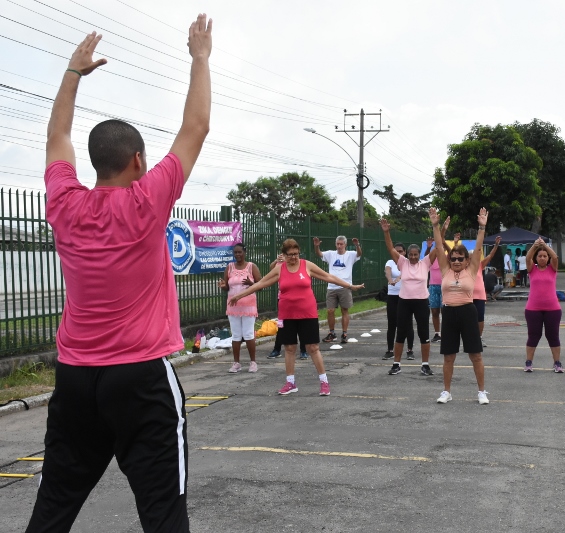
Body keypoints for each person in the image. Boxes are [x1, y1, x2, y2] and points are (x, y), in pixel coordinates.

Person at [28, 17, 212, 532]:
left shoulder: (64, 202)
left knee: (53, 507)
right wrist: (200, 58)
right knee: (163, 514)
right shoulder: (146, 200)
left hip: (74, 379)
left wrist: (72, 73)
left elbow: (57, 134)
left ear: (94, 163)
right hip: (139, 378)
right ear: (137, 160)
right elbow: (195, 128)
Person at [230, 239, 364, 396]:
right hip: (287, 314)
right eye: (290, 255)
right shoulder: (280, 269)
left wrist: (350, 286)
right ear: (284, 255)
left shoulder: (306, 265)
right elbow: (260, 284)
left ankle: (324, 382)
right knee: (289, 348)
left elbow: (329, 277)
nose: (293, 257)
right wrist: (239, 295)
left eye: (296, 254)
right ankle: (290, 383)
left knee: (313, 348)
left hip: (307, 313)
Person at [429, 206, 489, 405]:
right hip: (449, 313)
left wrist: (482, 228)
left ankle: (481, 392)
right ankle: (446, 391)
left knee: (475, 355)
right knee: (448, 356)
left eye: (459, 259)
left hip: (467, 312)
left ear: (466, 260)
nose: (455, 261)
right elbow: (439, 247)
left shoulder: (471, 270)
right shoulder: (445, 270)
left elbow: (478, 248)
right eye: (453, 258)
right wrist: (435, 226)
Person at [380, 220, 434, 376]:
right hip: (404, 302)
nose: (413, 257)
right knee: (401, 333)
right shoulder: (402, 263)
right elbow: (390, 248)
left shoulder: (425, 263)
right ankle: (396, 364)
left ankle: (425, 365)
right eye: (411, 254)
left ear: (419, 254)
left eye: (415, 254)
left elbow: (438, 248)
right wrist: (386, 232)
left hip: (421, 302)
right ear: (407, 254)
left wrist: (439, 228)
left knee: (424, 334)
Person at [218, 243, 262, 373]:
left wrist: (251, 283)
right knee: (236, 335)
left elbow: (261, 285)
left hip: (248, 307)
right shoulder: (229, 267)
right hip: (233, 307)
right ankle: (236, 363)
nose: (237, 255)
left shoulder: (251, 267)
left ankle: (253, 362)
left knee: (248, 334)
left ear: (245, 252)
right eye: (235, 252)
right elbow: (227, 286)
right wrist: (223, 286)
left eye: (240, 252)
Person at [523, 238, 564, 373]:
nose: (542, 258)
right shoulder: (532, 269)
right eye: (539, 256)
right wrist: (534, 246)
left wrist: (545, 246)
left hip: (553, 309)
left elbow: (555, 257)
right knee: (533, 335)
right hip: (533, 309)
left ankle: (557, 363)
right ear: (536, 258)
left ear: (548, 258)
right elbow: (528, 258)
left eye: (544, 256)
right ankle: (529, 362)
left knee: (553, 336)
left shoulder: (552, 269)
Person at [314, 235, 362, 344]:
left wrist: (357, 245)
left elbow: (359, 254)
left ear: (345, 245)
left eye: (341, 244)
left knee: (344, 310)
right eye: (338, 244)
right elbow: (320, 254)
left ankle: (344, 333)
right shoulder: (331, 254)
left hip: (345, 286)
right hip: (332, 287)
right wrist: (316, 246)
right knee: (330, 310)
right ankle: (332, 333)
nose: (339, 246)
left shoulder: (350, 254)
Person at [267, 254, 307, 360]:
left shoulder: (298, 264)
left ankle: (303, 350)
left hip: (299, 299)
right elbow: (271, 271)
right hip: (284, 299)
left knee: (301, 325)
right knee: (282, 325)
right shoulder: (280, 265)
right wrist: (276, 261)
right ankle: (277, 349)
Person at [384, 243, 414, 359]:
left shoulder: (407, 262)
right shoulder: (390, 262)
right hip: (392, 296)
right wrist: (390, 279)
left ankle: (410, 350)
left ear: (405, 252)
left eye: (400, 251)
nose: (398, 253)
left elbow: (403, 273)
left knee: (408, 324)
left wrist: (397, 279)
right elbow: (387, 271)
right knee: (392, 324)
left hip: (405, 296)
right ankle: (390, 350)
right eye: (396, 251)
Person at [425, 217, 450, 343]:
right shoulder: (432, 258)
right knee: (434, 311)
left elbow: (450, 250)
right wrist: (429, 247)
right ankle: (437, 333)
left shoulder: (446, 258)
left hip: (444, 286)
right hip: (433, 286)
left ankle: (447, 332)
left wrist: (444, 229)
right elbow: (426, 257)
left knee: (445, 311)